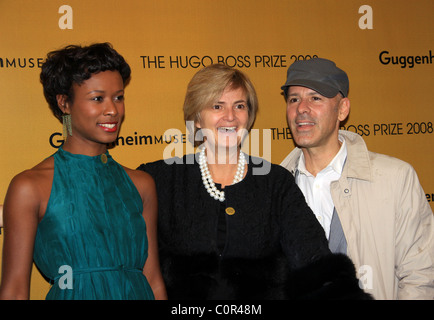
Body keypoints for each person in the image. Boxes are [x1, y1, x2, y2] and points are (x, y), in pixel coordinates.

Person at [137, 63, 371, 299]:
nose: (230, 116)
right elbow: (132, 267)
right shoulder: (160, 180)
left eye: (239, 106)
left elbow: (315, 263)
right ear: (197, 118)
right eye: (217, 106)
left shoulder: (275, 183)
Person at [0, 43, 166, 300]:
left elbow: (153, 279)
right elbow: (14, 290)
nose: (113, 110)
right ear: (64, 103)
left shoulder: (141, 184)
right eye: (97, 98)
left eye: (119, 97)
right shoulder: (30, 186)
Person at [280, 57, 434, 300]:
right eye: (294, 99)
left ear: (342, 109)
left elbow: (422, 275)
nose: (302, 109)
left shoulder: (395, 178)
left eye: (315, 98)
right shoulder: (276, 188)